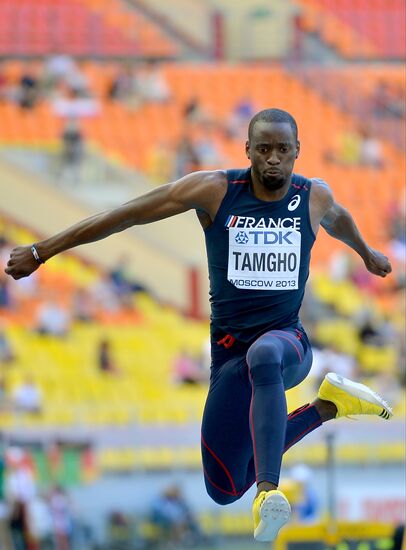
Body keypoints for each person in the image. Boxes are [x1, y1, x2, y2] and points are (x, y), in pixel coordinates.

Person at [4, 108, 393, 543]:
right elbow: (126, 215)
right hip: (230, 357)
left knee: (265, 353)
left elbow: (336, 217)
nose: (272, 160)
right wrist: (42, 251)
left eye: (283, 150)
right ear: (247, 149)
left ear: (297, 152)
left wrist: (366, 252)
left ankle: (267, 493)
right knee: (224, 488)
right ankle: (329, 406)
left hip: (289, 346)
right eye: (263, 149)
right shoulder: (215, 190)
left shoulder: (313, 196)